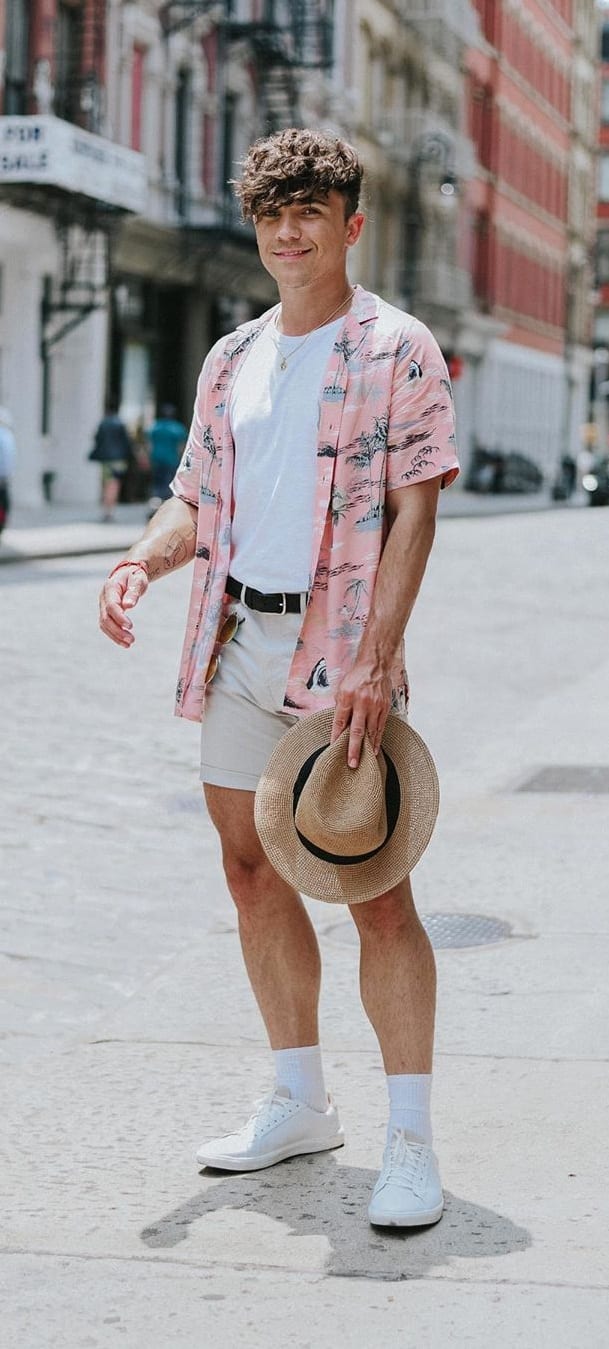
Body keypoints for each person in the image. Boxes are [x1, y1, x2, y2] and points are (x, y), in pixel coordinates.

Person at [98, 128, 459, 1227]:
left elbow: (416, 506)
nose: (288, 230)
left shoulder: (399, 347)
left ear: (352, 224)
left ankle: (410, 1140)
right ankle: (300, 1097)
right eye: (272, 213)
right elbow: (196, 498)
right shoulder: (231, 358)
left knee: (376, 890)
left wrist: (378, 655)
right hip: (236, 645)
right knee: (251, 874)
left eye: (310, 210)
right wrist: (140, 560)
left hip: (340, 654)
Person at [89, 397, 133, 522]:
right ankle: (110, 510)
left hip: (106, 459)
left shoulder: (103, 423)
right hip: (118, 459)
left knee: (106, 483)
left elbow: (97, 439)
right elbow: (126, 442)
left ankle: (106, 509)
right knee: (114, 484)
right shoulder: (120, 423)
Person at [145, 404, 188, 506]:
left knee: (157, 482)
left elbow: (149, 444)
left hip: (156, 459)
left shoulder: (155, 427)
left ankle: (155, 503)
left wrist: (148, 457)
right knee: (169, 482)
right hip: (171, 459)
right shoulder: (178, 428)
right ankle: (166, 505)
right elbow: (181, 447)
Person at [0, 406, 16, 538]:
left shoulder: (5, 436)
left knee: (4, 502)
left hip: (3, 475)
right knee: (4, 502)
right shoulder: (7, 435)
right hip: (5, 475)